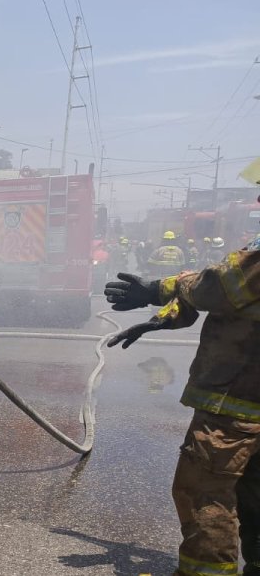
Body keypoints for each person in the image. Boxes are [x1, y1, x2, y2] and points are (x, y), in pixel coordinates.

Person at [105, 160, 260, 576]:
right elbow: (235, 303)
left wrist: (158, 289)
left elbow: (219, 287)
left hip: (237, 405)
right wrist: (164, 317)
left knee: (205, 494)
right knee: (255, 495)